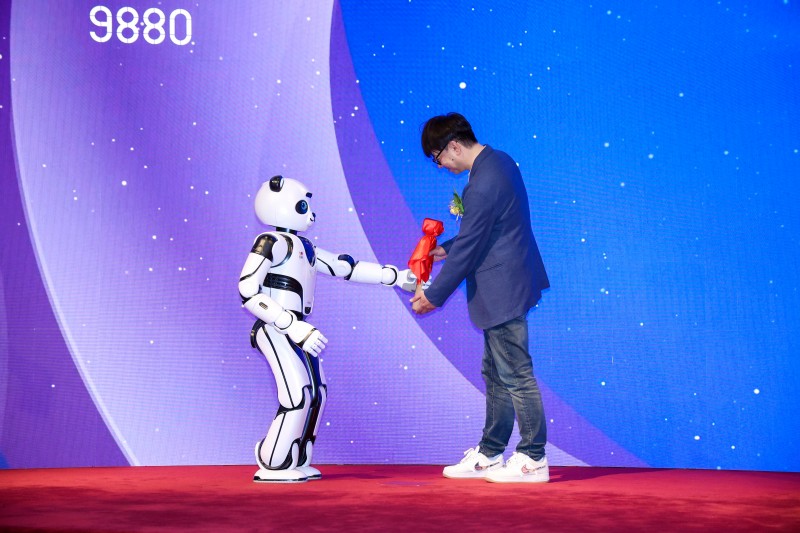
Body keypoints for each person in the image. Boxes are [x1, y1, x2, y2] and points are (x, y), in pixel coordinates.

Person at [410, 113, 551, 483]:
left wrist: (433, 296)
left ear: (454, 146)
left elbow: (473, 246)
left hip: (502, 289)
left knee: (515, 374)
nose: (441, 165)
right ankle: (490, 452)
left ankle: (533, 457)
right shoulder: (499, 161)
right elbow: (490, 228)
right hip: (509, 282)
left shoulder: (482, 182)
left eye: (438, 157)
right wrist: (447, 248)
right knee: (496, 372)